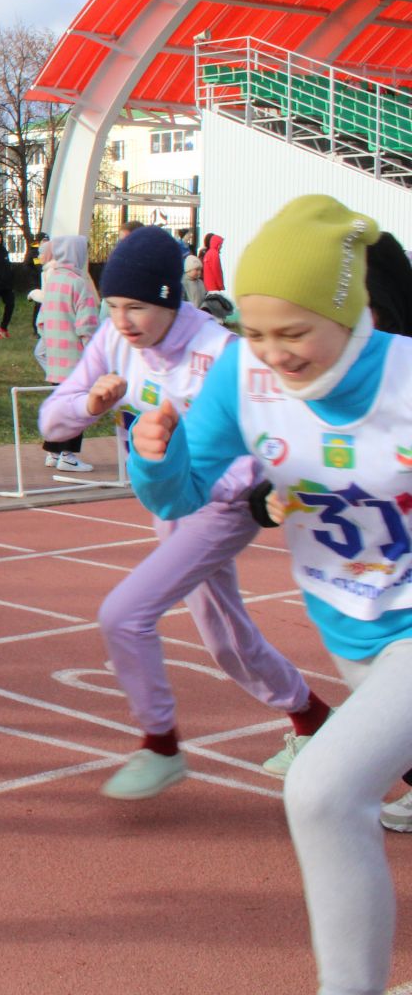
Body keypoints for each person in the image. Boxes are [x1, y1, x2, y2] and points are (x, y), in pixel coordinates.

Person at [129, 196, 412, 995]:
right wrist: (156, 455)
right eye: (255, 331)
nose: (274, 354)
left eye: (295, 333)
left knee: (321, 789)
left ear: (352, 314)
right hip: (354, 633)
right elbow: (184, 494)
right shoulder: (244, 377)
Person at [41, 227, 329, 800]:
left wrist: (253, 489)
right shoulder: (113, 340)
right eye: (114, 305)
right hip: (168, 501)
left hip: (221, 505)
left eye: (138, 308)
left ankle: (161, 746)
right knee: (225, 638)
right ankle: (313, 721)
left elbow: (275, 432)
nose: (123, 321)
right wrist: (90, 403)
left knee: (125, 614)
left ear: (172, 298)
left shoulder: (223, 353)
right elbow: (53, 422)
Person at [36, 234, 100, 474]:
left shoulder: (53, 280)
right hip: (76, 359)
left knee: (59, 406)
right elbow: (87, 325)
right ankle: (68, 454)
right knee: (76, 408)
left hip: (55, 357)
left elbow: (41, 321)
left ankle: (53, 451)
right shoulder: (78, 283)